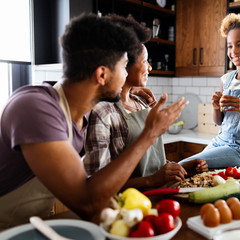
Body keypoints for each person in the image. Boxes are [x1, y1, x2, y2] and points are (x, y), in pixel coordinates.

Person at [0, 13, 188, 229]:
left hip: (28, 226)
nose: (126, 76)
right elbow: (88, 203)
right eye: (123, 67)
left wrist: (131, 93)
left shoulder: (80, 111)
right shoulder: (34, 109)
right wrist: (150, 133)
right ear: (101, 75)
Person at [83, 39, 208, 189]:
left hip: (161, 196)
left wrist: (180, 168)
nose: (149, 67)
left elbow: (151, 162)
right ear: (124, 65)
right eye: (145, 61)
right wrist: (152, 180)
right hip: (129, 206)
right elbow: (97, 185)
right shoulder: (104, 112)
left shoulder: (142, 103)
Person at [179, 10, 240, 169]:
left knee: (184, 166)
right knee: (193, 169)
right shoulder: (226, 80)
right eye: (230, 46)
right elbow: (220, 122)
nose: (233, 51)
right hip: (220, 141)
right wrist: (216, 107)